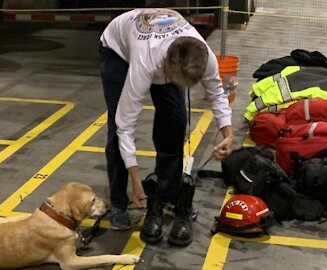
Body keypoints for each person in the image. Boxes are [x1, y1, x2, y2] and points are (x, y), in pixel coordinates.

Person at [99, 8, 233, 246]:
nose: (174, 85)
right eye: (174, 80)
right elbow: (125, 124)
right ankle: (120, 202)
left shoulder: (203, 54)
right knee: (115, 127)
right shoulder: (145, 61)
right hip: (118, 51)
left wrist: (227, 132)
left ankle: (168, 198)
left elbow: (216, 91)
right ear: (167, 65)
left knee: (175, 121)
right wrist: (136, 180)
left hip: (162, 50)